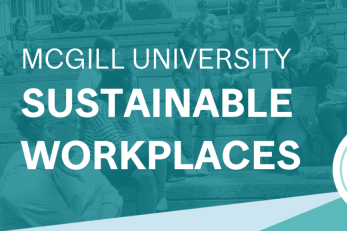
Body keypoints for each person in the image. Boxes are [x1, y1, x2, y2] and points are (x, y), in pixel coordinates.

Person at [0, 98, 123, 230]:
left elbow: (110, 194)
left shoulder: (76, 153)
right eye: (73, 121)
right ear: (50, 131)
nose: (80, 125)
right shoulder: (24, 172)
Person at [84, 59, 168, 214]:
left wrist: (152, 152)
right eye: (133, 75)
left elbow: (141, 136)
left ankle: (158, 204)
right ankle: (166, 189)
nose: (135, 78)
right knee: (159, 148)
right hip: (103, 166)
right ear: (121, 80)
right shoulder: (97, 107)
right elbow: (116, 147)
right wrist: (150, 150)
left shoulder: (126, 101)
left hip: (124, 162)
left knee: (147, 175)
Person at [271, 1, 338, 113]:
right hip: (294, 74)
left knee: (329, 67)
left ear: (313, 17)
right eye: (299, 19)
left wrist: (324, 55)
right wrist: (292, 60)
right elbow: (278, 59)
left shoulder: (323, 32)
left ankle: (323, 109)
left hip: (315, 73)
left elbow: (335, 56)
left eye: (305, 19)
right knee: (278, 71)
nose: (301, 23)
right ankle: (285, 111)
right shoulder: (287, 33)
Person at [172, 32, 218, 177]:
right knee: (184, 123)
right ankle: (190, 161)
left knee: (208, 123)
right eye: (198, 48)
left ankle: (203, 162)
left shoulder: (205, 69)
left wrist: (209, 104)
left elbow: (215, 89)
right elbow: (187, 95)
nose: (200, 51)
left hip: (204, 110)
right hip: (187, 109)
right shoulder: (178, 73)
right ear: (190, 51)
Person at [218, 16, 255, 124]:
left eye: (239, 27)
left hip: (244, 79)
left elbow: (249, 69)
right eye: (233, 27)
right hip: (228, 78)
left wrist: (238, 76)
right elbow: (223, 69)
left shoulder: (249, 46)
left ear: (243, 29)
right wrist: (229, 76)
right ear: (229, 29)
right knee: (225, 81)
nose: (236, 29)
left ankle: (249, 114)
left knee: (239, 81)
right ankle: (223, 115)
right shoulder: (223, 48)